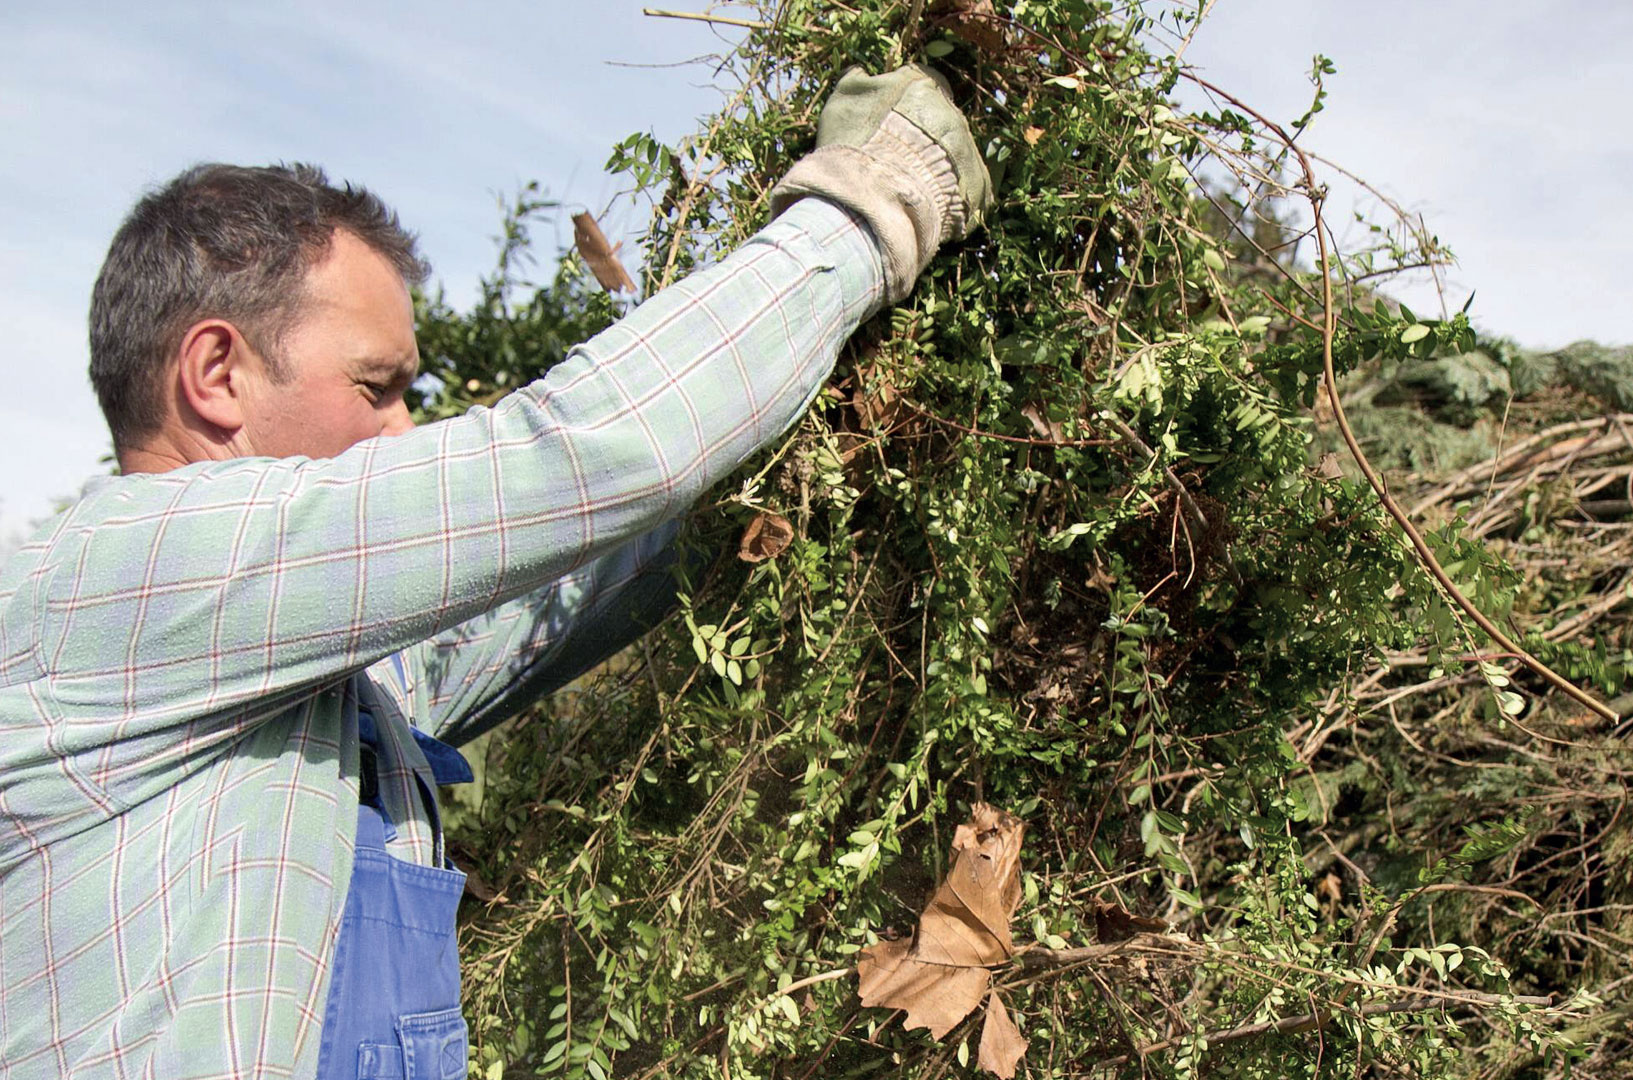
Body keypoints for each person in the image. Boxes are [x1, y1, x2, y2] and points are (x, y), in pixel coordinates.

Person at [0, 65, 990, 1079]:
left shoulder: (334, 683)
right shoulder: (117, 579)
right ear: (218, 376)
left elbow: (560, 588)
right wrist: (873, 204)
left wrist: (795, 459)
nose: (405, 428)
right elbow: (573, 459)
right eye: (375, 387)